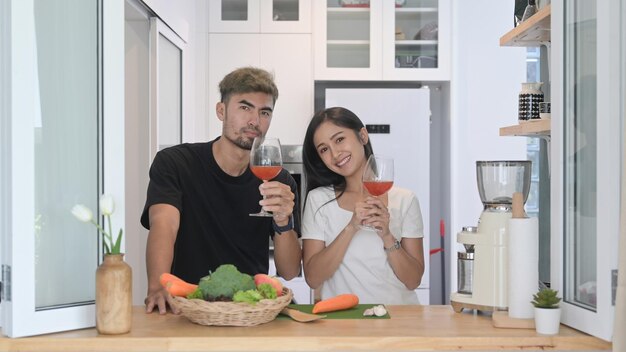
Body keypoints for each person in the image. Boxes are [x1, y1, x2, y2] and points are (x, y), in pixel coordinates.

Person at [142, 67, 302, 314]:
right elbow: (164, 225)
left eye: (265, 112)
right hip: (187, 306)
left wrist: (283, 220)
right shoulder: (175, 163)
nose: (254, 121)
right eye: (245, 107)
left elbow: (290, 271)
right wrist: (157, 285)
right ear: (221, 110)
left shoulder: (279, 181)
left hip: (250, 311)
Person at [301, 107, 425, 304]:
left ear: (363, 136)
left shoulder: (405, 200)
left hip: (399, 320)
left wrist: (387, 236)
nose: (334, 154)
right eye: (324, 149)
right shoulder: (319, 200)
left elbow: (413, 280)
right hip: (344, 321)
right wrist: (351, 227)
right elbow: (313, 278)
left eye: (339, 139)